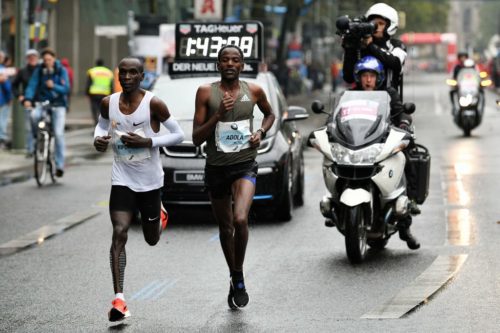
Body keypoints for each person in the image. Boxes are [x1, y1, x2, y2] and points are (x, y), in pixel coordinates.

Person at [93, 57, 185, 322]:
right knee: (119, 232)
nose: (128, 76)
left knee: (151, 238)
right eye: (123, 72)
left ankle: (160, 215)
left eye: (133, 72)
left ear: (142, 76)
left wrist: (148, 142)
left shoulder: (153, 103)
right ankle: (119, 300)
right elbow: (100, 127)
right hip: (122, 178)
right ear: (118, 75)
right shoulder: (108, 103)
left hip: (150, 182)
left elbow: (178, 135)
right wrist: (97, 140)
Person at [192, 45, 276, 309]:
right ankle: (234, 273)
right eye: (225, 59)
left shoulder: (254, 91)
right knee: (225, 227)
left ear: (242, 65)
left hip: (245, 164)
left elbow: (270, 114)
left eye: (235, 60)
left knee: (240, 218)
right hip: (216, 167)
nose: (230, 63)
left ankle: (238, 276)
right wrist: (217, 115)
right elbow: (196, 137)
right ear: (218, 64)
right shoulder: (206, 92)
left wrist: (261, 132)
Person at [352, 56, 420, 250]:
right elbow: (339, 115)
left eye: (371, 76)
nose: (367, 80)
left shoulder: (388, 93)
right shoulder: (352, 94)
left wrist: (404, 123)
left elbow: (401, 112)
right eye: (364, 75)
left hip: (383, 143)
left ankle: (406, 222)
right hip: (358, 145)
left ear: (378, 77)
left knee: (404, 160)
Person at [23, 47, 70, 177]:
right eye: (45, 60)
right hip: (42, 103)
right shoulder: (39, 71)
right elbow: (32, 85)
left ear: (54, 59)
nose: (47, 62)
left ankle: (60, 165)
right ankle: (36, 138)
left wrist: (54, 86)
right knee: (33, 115)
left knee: (59, 134)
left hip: (58, 105)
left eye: (49, 59)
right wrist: (28, 98)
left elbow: (66, 88)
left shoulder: (61, 70)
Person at [342, 3, 407, 93]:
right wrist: (349, 48)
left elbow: (395, 62)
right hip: (361, 101)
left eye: (381, 24)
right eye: (373, 23)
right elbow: (348, 78)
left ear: (390, 26)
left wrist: (370, 45)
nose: (376, 27)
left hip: (389, 101)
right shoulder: (361, 45)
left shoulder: (397, 45)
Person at [12, 49, 40, 156]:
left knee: (42, 125)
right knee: (29, 126)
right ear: (27, 59)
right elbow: (14, 85)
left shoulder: (41, 70)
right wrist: (19, 96)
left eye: (34, 57)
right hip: (28, 102)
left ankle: (43, 147)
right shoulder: (23, 71)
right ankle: (30, 149)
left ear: (37, 58)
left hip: (41, 101)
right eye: (30, 57)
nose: (32, 59)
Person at [86, 59, 113, 125]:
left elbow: (88, 83)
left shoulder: (92, 71)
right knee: (103, 111)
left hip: (94, 94)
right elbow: (111, 85)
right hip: (105, 93)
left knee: (95, 111)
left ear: (96, 63)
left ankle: (96, 126)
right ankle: (103, 126)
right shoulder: (109, 72)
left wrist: (87, 93)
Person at [0, 50, 13, 150]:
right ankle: (2, 139)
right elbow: (7, 86)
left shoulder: (4, 69)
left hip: (3, 99)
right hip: (3, 99)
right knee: (3, 120)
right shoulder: (3, 70)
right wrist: (9, 98)